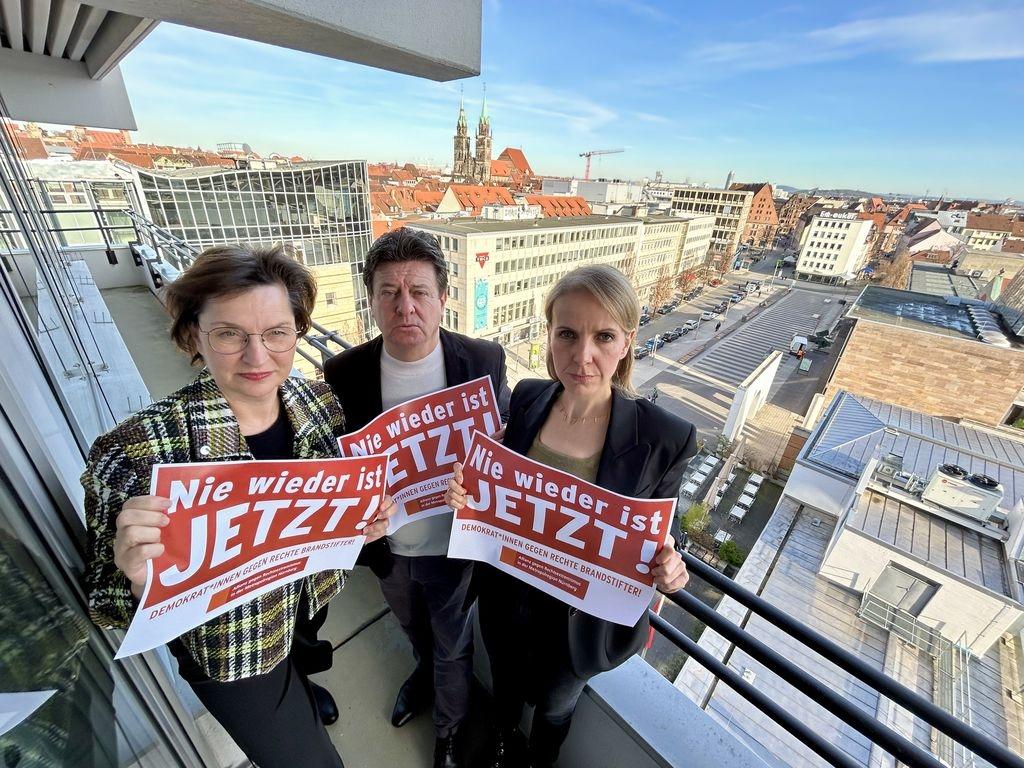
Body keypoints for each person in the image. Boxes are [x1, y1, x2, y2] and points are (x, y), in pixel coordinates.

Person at [82, 244, 394, 768]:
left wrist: (361, 524)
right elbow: (106, 604)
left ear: (296, 332)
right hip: (235, 653)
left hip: (306, 600)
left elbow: (331, 510)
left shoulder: (317, 402)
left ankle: (305, 689)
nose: (258, 357)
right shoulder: (135, 452)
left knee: (302, 659)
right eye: (230, 334)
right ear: (193, 336)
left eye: (276, 333)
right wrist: (137, 578)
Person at [446, 265, 695, 767]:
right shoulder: (530, 396)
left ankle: (539, 761)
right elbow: (502, 487)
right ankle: (498, 747)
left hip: (577, 626)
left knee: (556, 708)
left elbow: (663, 533)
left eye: (603, 336)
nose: (583, 356)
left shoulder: (666, 436)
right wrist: (468, 493)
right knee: (504, 687)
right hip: (507, 598)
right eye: (568, 334)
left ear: (627, 342)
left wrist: (673, 566)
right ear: (550, 336)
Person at [324, 228, 510, 768]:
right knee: (412, 628)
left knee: (454, 644)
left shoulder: (483, 359)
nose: (405, 307)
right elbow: (334, 464)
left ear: (443, 298)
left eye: (419, 292)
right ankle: (424, 676)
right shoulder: (343, 372)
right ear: (373, 300)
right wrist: (356, 503)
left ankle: (450, 733)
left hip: (452, 546)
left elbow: (505, 451)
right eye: (389, 292)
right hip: (387, 549)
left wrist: (485, 473)